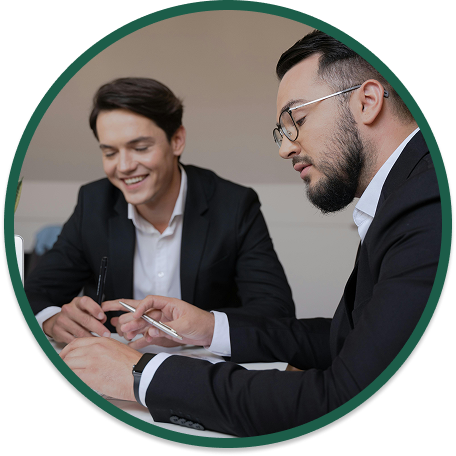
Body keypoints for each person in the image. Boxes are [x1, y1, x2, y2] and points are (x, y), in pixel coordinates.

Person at [60, 30, 441, 437]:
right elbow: (345, 339)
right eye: (282, 131)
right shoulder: (408, 193)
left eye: (297, 121)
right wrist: (211, 328)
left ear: (367, 101)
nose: (285, 148)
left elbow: (344, 399)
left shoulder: (427, 206)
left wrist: (141, 375)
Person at [25, 77, 295, 346]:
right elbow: (34, 293)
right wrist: (51, 320)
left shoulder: (234, 205)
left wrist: (201, 329)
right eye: (110, 153)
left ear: (177, 140)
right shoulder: (93, 203)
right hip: (117, 362)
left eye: (140, 148)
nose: (124, 166)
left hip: (204, 366)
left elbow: (276, 311)